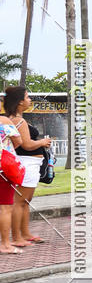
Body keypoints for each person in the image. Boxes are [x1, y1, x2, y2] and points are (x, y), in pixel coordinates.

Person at [4, 87, 51, 247]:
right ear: (20, 102)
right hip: (26, 162)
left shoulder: (13, 119)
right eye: (27, 97)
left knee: (25, 201)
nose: (30, 100)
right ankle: (17, 237)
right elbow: (27, 144)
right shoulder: (19, 120)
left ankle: (25, 233)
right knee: (20, 201)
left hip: (29, 163)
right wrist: (43, 142)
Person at [0, 113, 22, 253]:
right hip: (4, 168)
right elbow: (18, 141)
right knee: (5, 207)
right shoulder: (4, 121)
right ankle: (5, 244)